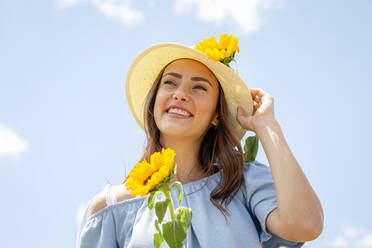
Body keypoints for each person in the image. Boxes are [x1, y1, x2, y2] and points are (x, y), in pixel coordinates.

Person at [76, 36, 324, 248]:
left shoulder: (243, 183)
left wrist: (268, 127)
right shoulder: (108, 209)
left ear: (217, 115)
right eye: (170, 83)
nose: (181, 94)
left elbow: (306, 225)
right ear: (154, 102)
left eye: (199, 88)